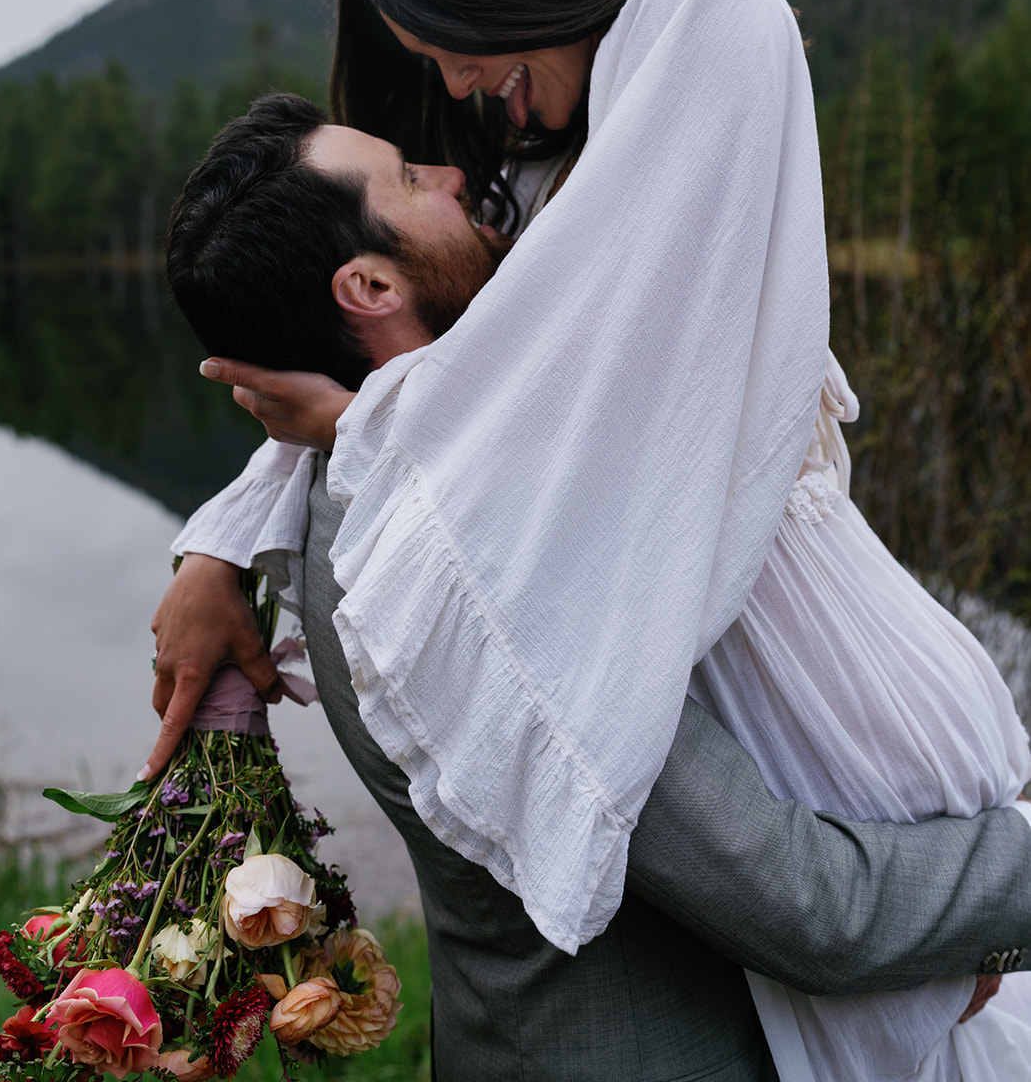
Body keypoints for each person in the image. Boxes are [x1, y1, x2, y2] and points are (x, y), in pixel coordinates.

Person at [153, 93, 1031, 1080]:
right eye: (409, 180)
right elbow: (811, 911)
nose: (454, 179)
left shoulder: (350, 461)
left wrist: (210, 548)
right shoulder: (466, 564)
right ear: (366, 283)